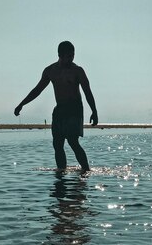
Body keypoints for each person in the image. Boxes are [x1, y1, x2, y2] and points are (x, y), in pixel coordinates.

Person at [14, 41, 98, 172]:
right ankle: (61, 173)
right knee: (57, 143)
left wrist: (94, 111)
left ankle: (86, 171)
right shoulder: (50, 71)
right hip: (60, 109)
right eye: (68, 56)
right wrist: (21, 104)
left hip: (75, 109)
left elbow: (87, 91)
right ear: (60, 55)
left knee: (72, 141)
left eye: (72, 56)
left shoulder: (77, 71)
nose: (71, 59)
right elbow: (37, 90)